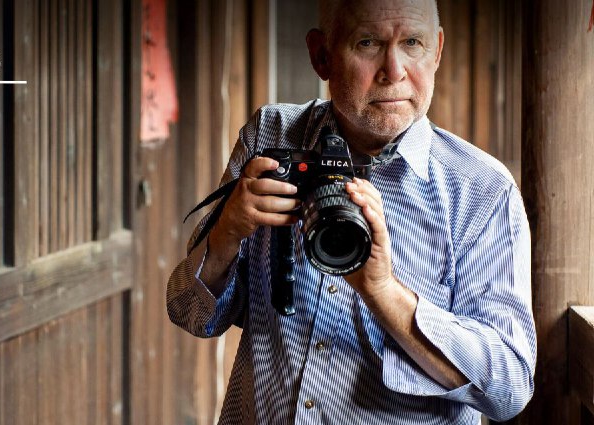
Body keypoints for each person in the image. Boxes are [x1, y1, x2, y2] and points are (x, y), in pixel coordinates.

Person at [166, 0, 536, 423]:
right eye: (368, 43)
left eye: (412, 43)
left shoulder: (481, 189)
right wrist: (227, 232)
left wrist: (383, 291)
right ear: (321, 55)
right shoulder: (271, 137)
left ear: (436, 51)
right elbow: (188, 312)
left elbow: (510, 387)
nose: (393, 71)